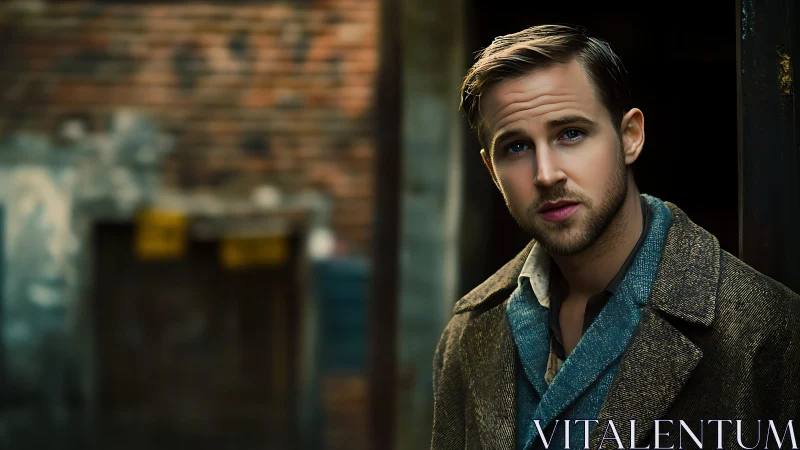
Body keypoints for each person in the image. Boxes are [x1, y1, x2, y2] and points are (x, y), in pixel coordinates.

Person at [431, 24, 800, 450]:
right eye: (516, 147)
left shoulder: (767, 330)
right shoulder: (467, 332)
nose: (547, 174)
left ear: (630, 137)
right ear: (492, 171)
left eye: (571, 133)